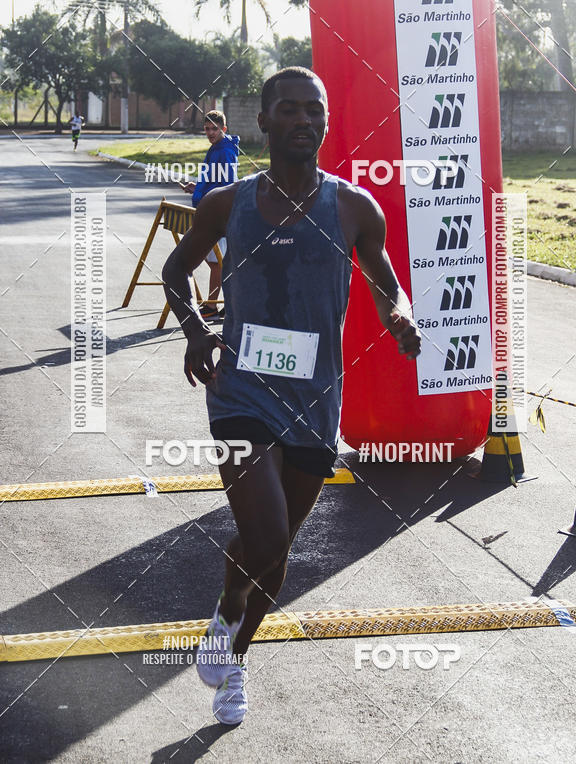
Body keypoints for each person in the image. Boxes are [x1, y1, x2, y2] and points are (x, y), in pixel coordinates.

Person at [162, 66, 421, 726]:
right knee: (270, 534)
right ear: (265, 121)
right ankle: (231, 653)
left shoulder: (355, 208)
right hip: (241, 391)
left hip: (315, 398)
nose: (306, 119)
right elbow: (175, 269)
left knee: (270, 554)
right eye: (292, 109)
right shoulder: (231, 204)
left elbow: (387, 282)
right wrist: (195, 330)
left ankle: (231, 643)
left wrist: (401, 315)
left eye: (317, 110)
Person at [181, 110, 239, 318]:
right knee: (216, 261)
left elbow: (227, 185)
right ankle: (227, 304)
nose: (210, 132)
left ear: (224, 129)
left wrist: (213, 202)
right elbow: (215, 180)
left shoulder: (225, 151)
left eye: (215, 129)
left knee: (217, 262)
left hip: (219, 214)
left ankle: (214, 305)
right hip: (210, 209)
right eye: (207, 129)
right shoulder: (216, 148)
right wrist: (197, 188)